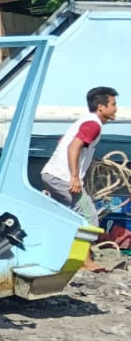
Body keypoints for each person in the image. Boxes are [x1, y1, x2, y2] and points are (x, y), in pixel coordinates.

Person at [41, 86, 118, 263]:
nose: (116, 109)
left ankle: (60, 255)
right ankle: (84, 261)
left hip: (52, 175)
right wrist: (74, 177)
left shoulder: (85, 121)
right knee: (88, 215)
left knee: (69, 217)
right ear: (101, 107)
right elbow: (73, 147)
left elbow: (64, 141)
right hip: (62, 177)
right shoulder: (93, 125)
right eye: (113, 104)